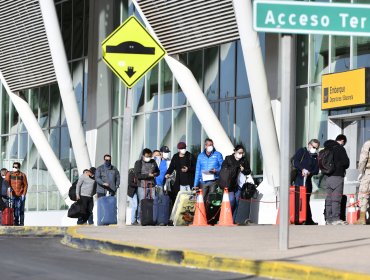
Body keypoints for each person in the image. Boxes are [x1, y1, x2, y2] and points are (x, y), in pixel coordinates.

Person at [323, 134, 350, 225]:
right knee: (336, 198)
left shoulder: (326, 148)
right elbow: (346, 163)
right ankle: (335, 219)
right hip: (337, 176)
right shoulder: (340, 148)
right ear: (342, 140)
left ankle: (328, 219)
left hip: (327, 177)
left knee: (329, 198)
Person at [292, 139, 320, 225]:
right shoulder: (302, 151)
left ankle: (308, 219)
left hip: (308, 180)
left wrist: (309, 172)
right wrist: (302, 169)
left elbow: (316, 170)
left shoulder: (315, 156)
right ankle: (298, 218)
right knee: (299, 200)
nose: (314, 149)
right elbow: (295, 162)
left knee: (306, 200)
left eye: (316, 148)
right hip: (299, 179)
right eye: (313, 147)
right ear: (309, 145)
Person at [219, 145, 251, 215]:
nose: (241, 154)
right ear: (235, 151)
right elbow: (224, 168)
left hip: (239, 184)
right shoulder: (228, 158)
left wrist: (244, 170)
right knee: (231, 200)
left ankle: (232, 220)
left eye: (242, 153)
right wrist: (235, 167)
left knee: (236, 202)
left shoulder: (244, 160)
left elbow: (248, 171)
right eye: (239, 152)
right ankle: (227, 216)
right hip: (230, 183)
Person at [194, 138, 223, 204]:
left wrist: (216, 170)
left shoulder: (218, 154)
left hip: (213, 181)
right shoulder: (200, 156)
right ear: (205, 146)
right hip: (203, 182)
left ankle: (209, 214)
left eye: (211, 145)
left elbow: (223, 167)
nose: (211, 146)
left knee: (211, 201)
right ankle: (202, 214)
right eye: (209, 145)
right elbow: (197, 171)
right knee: (201, 200)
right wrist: (195, 184)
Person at [134, 148, 159, 224]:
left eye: (150, 156)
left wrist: (155, 174)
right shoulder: (138, 163)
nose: (148, 158)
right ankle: (139, 219)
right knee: (142, 202)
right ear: (143, 155)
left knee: (154, 202)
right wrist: (148, 175)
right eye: (147, 156)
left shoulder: (153, 162)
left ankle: (153, 218)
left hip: (152, 185)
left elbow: (158, 171)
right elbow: (137, 175)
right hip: (142, 186)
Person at [357, 139, 370, 224]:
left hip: (369, 172)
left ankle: (362, 218)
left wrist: (361, 171)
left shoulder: (368, 144)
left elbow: (363, 159)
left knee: (364, 194)